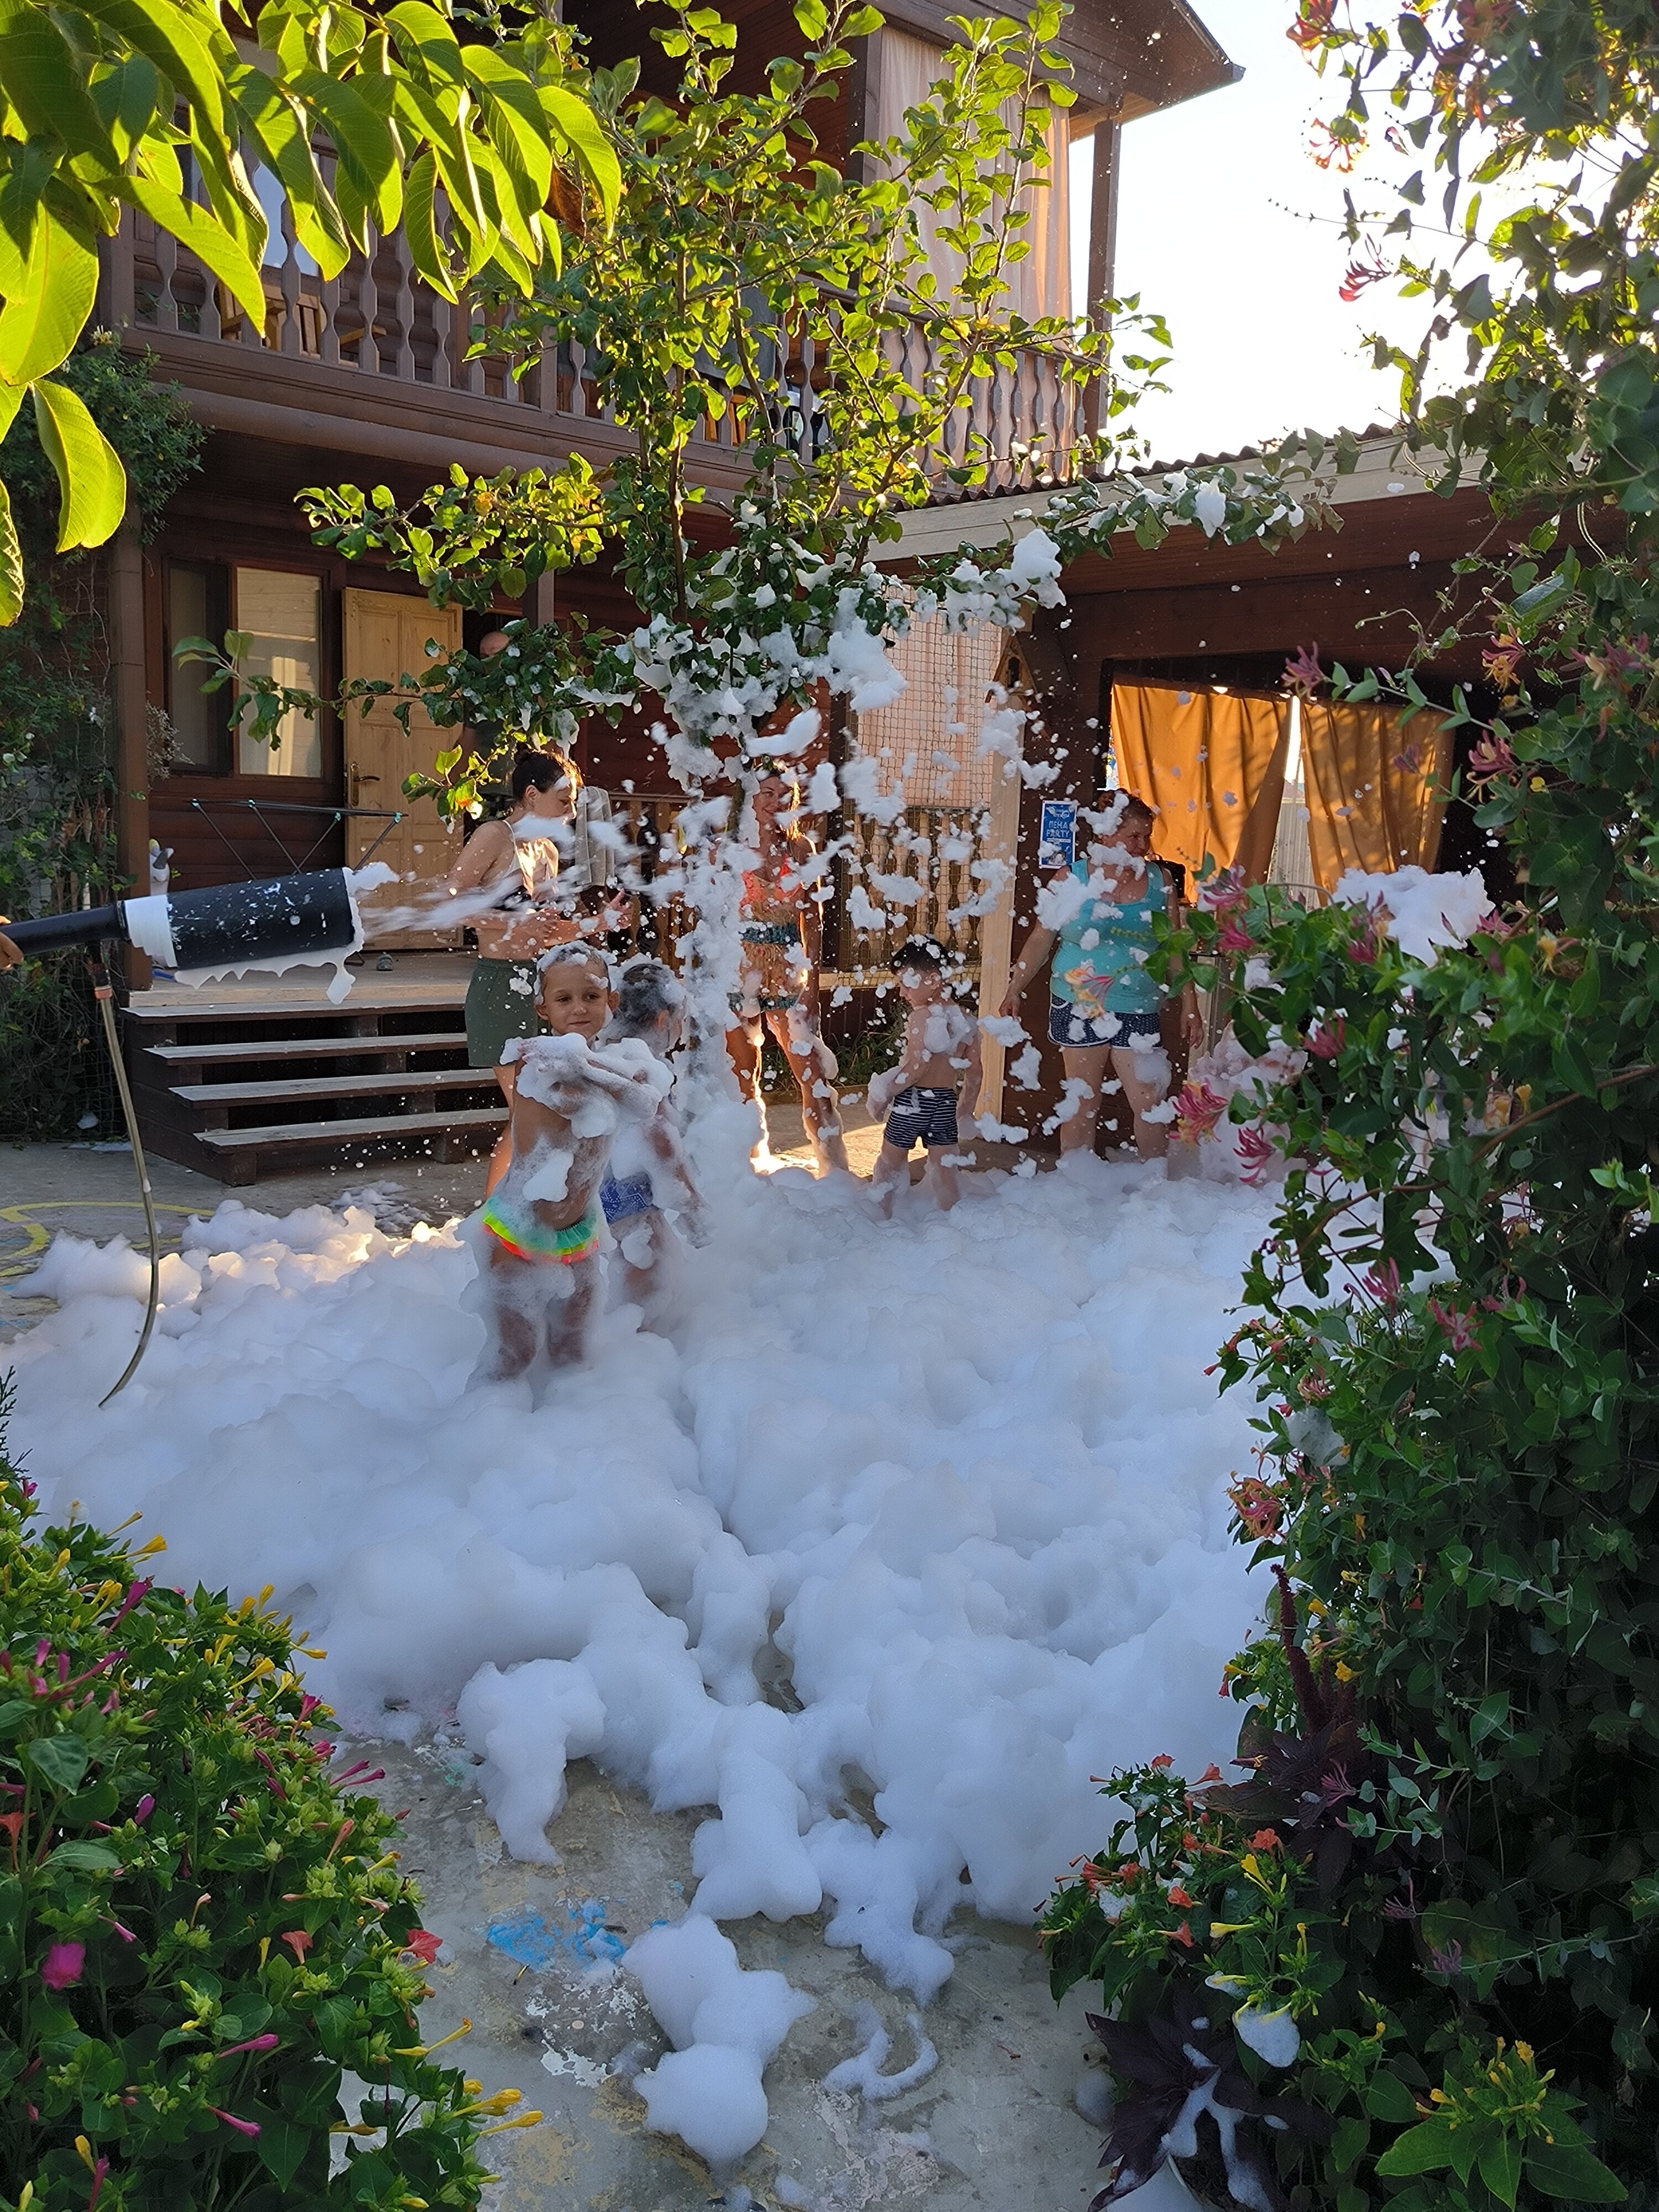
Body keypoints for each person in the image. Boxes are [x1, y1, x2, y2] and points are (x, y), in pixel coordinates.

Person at [472, 941, 667, 1379]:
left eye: (591, 996)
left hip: (578, 1233)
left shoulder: (607, 1062)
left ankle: (570, 1414)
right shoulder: (537, 1061)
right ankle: (489, 1411)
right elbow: (577, 1099)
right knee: (515, 1355)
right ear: (543, 1009)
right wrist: (623, 1077)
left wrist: (616, 1072)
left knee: (573, 1352)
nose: (579, 1008)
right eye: (564, 999)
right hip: (519, 1230)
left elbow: (645, 1102)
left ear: (611, 1002)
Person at [1000, 791, 1202, 1163]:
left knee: (1149, 1101)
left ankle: (1156, 1185)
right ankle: (1076, 1183)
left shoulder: (1160, 882)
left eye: (1147, 837)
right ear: (1106, 834)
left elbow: (1174, 948)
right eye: (1134, 837)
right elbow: (1041, 939)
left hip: (1138, 1004)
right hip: (1080, 1000)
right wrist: (1015, 988)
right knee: (1083, 1099)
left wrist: (1191, 1003)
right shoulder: (1072, 879)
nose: (1143, 846)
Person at [445, 749, 582, 1196]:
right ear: (532, 795)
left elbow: (544, 932)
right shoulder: (494, 835)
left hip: (536, 985)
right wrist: (510, 923)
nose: (570, 813)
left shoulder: (546, 850)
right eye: (564, 801)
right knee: (530, 1115)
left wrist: (595, 925)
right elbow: (451, 903)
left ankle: (512, 1214)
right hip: (499, 985)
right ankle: (497, 1216)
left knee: (540, 1114)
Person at [724, 771, 849, 1175]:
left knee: (812, 1074)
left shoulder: (800, 848)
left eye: (784, 795)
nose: (774, 802)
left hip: (788, 971)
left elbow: (813, 919)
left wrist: (811, 983)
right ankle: (752, 1167)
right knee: (744, 1074)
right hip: (740, 971)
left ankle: (834, 1169)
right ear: (750, 797)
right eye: (766, 793)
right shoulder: (730, 848)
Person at [598, 958, 707, 1313]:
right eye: (681, 1021)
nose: (681, 1030)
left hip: (599, 1200)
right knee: (646, 1292)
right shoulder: (646, 1071)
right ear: (664, 1021)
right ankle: (637, 1341)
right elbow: (661, 1144)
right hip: (630, 1205)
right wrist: (694, 1210)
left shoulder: (603, 1056)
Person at [868, 936, 983, 1214]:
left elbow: (918, 1066)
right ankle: (952, 1220)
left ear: (933, 979)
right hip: (944, 1103)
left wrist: (885, 1095)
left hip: (913, 1102)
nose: (902, 993)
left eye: (907, 984)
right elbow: (975, 1072)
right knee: (945, 1171)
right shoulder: (967, 1019)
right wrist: (965, 1110)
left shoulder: (921, 1017)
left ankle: (880, 1219)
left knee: (889, 1165)